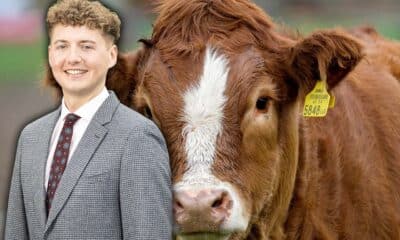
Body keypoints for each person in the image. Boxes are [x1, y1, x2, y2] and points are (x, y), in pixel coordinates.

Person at [4, 0, 172, 239]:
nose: (73, 58)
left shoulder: (138, 136)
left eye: (87, 47)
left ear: (112, 55)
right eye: (62, 46)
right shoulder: (31, 136)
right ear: (51, 54)